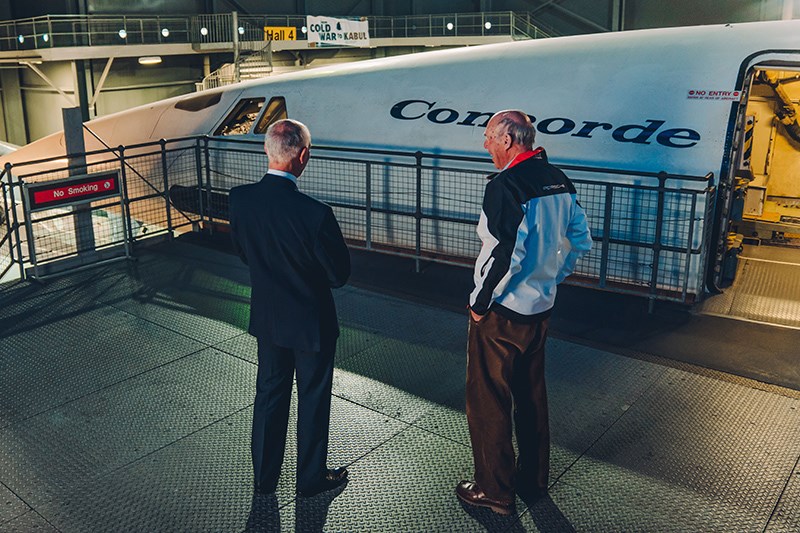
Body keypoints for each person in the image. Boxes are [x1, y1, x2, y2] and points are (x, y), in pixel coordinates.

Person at [456, 110, 592, 515]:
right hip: (540, 309)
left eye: (488, 137)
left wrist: (480, 303)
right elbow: (580, 240)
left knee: (488, 401)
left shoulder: (507, 185)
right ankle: (533, 482)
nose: (484, 145)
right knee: (531, 398)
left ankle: (494, 491)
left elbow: (503, 253)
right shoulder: (558, 180)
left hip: (502, 314)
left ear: (508, 140)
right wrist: (550, 277)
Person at [229, 118, 351, 497]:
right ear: (304, 156)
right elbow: (338, 275)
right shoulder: (315, 214)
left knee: (269, 393)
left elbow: (245, 253)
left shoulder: (240, 200)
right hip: (311, 325)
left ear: (266, 150)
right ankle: (310, 479)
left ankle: (265, 478)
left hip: (268, 317)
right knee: (312, 399)